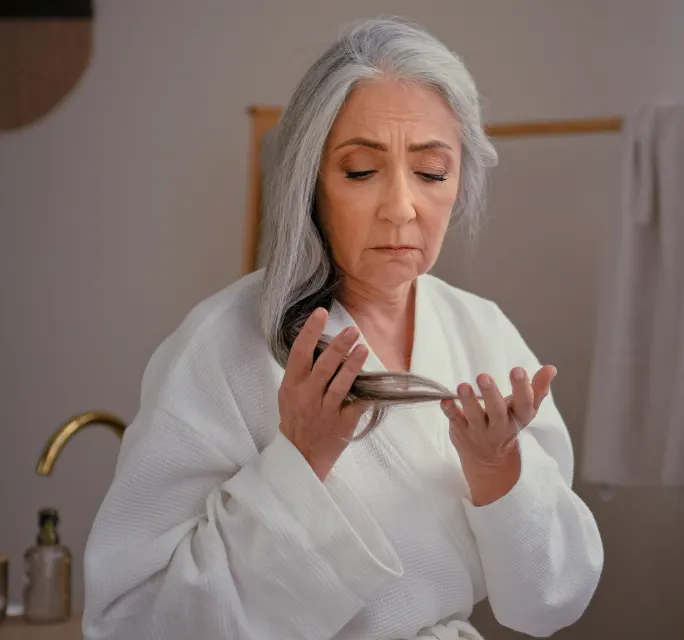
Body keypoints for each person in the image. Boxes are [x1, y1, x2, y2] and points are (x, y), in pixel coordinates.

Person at [83, 17, 603, 640]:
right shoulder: (222, 347)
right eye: (360, 172)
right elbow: (131, 624)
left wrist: (499, 473)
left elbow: (550, 601)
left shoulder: (481, 333)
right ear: (311, 183)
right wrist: (300, 457)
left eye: (433, 173)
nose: (402, 206)